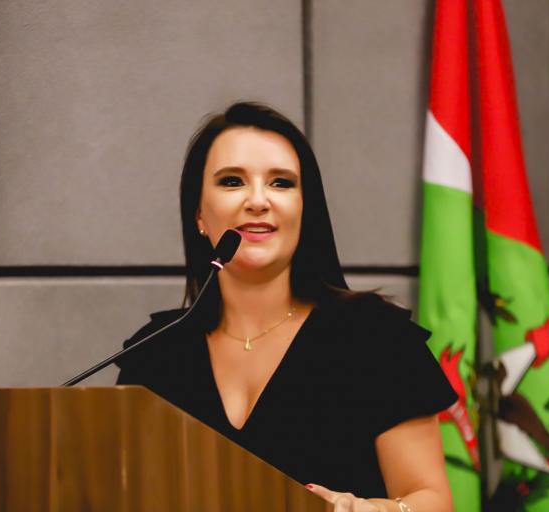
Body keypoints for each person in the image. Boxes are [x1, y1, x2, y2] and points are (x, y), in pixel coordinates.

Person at [116, 102, 457, 512]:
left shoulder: (376, 338)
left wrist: (371, 510)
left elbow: (431, 500)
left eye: (281, 183)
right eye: (231, 182)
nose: (258, 201)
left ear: (305, 208)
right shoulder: (154, 356)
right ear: (199, 215)